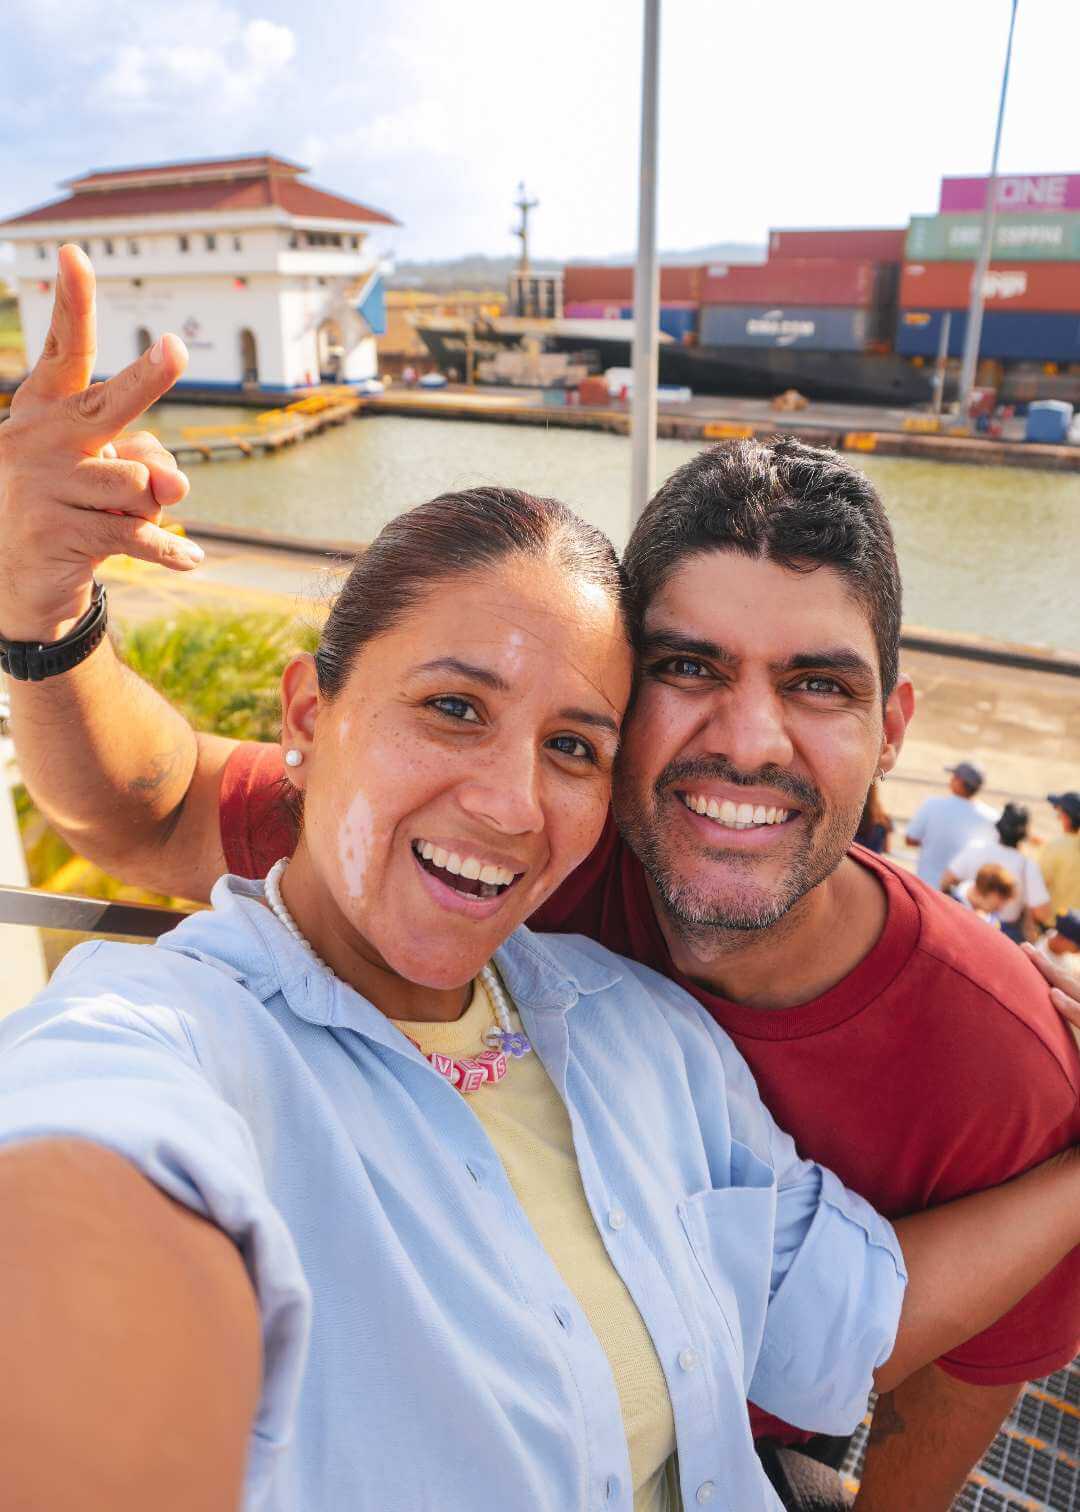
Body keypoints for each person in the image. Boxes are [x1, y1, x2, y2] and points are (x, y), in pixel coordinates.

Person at [4, 248, 1080, 1511]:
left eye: (573, 744)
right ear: (310, 713)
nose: (515, 803)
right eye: (454, 706)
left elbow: (839, 1322)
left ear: (892, 728)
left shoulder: (639, 1031)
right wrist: (41, 603)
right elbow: (96, 1187)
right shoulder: (178, 1042)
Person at [941, 803, 1052, 944]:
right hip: (1006, 933)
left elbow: (946, 880)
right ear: (1024, 835)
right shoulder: (1027, 865)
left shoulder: (976, 848)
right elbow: (1043, 912)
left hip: (965, 918)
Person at [904, 760, 997, 887]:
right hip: (962, 896)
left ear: (959, 781)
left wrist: (934, 841)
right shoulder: (991, 817)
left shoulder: (932, 804)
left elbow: (910, 839)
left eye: (954, 777)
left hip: (926, 887)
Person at [1040, 792, 1080, 918]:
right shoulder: (1058, 846)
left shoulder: (1054, 847)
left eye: (1059, 814)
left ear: (1066, 818)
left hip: (1059, 923)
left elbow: (1040, 884)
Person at [952, 861, 1018, 928]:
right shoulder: (950, 903)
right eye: (995, 906)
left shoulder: (991, 920)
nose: (1000, 909)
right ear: (979, 893)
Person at [1033, 909, 1080, 982]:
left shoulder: (1052, 934)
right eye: (1077, 946)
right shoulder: (1041, 962)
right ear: (1063, 940)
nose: (1078, 951)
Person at [854, 779, 892, 854]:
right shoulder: (884, 819)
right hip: (871, 862)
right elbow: (887, 849)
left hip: (853, 862)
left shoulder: (853, 818)